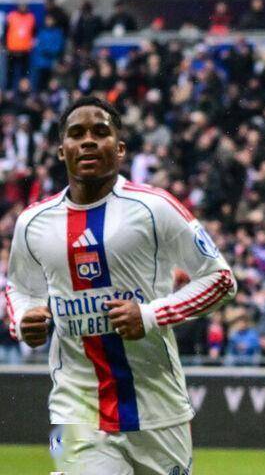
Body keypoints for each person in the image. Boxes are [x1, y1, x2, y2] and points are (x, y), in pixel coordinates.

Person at [5, 96, 237, 474]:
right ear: (62, 150)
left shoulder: (154, 207)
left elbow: (221, 280)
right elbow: (19, 288)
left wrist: (150, 315)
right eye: (76, 134)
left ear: (121, 149)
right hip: (78, 406)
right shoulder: (33, 222)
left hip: (158, 407)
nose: (88, 141)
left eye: (101, 132)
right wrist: (23, 318)